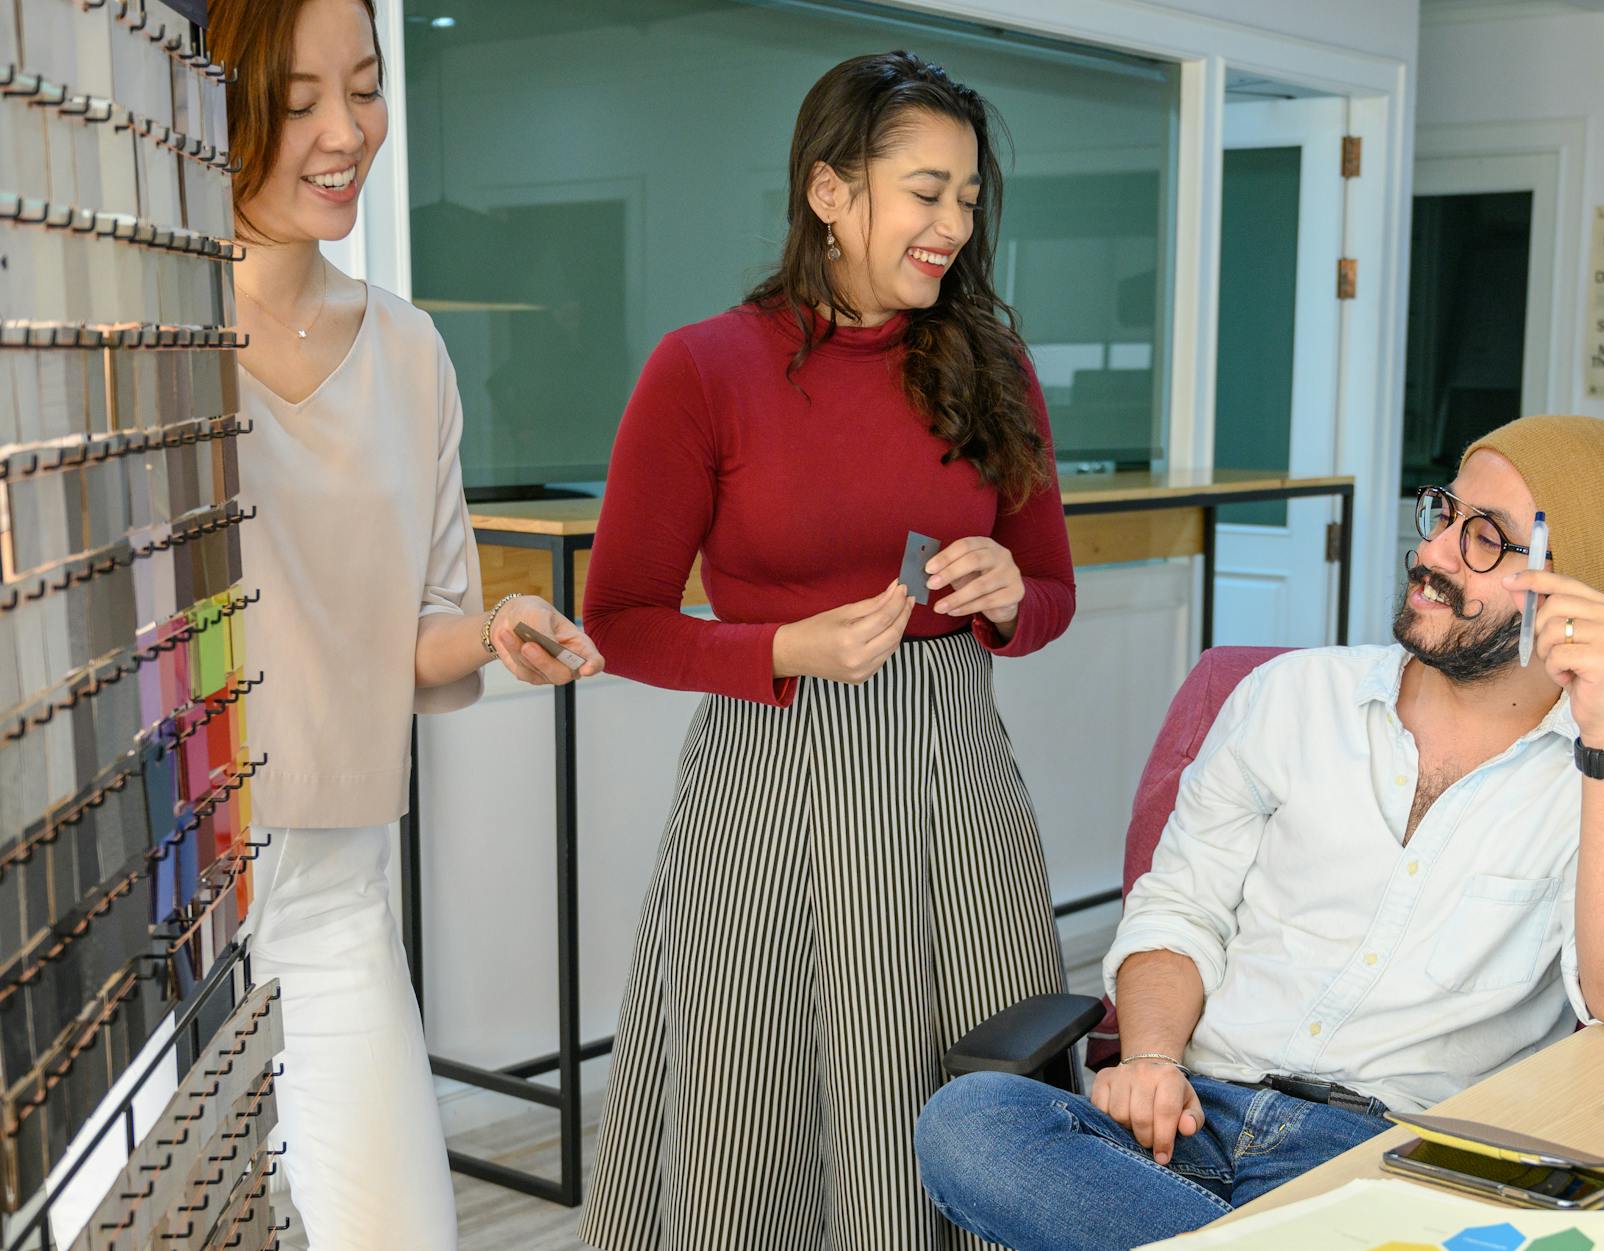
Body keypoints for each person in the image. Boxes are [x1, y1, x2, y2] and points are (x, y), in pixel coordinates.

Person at [916, 414, 1604, 1251]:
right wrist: (1150, 1060)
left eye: (1486, 539)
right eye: (1444, 514)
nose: (1434, 553)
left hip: (1398, 1160)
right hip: (1192, 1117)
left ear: (1573, 588)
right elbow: (1180, 910)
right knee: (970, 1122)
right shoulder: (1289, 696)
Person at [578, 50, 1076, 1251]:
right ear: (829, 192)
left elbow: (1051, 589)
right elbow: (620, 619)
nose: (952, 224)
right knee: (758, 1112)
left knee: (980, 1092)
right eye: (924, 191)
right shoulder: (704, 369)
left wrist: (1009, 594)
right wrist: (780, 647)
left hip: (958, 787)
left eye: (967, 196)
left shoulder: (992, 368)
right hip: (771, 786)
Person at [208, 1, 602, 1245]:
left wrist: (491, 631)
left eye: (365, 88)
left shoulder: (410, 350)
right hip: (152, 900)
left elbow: (416, 629)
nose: (344, 132)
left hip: (329, 885)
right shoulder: (138, 335)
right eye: (297, 96)